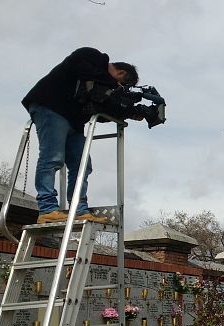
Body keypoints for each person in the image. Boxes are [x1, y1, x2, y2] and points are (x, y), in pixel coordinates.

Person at [22, 47, 139, 224]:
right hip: (50, 106)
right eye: (121, 84)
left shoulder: (98, 83)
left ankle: (79, 209)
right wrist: (114, 87)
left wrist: (128, 112)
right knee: (52, 158)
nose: (117, 89)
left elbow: (98, 110)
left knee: (82, 164)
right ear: (120, 73)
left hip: (73, 121)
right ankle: (47, 209)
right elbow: (77, 66)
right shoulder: (92, 56)